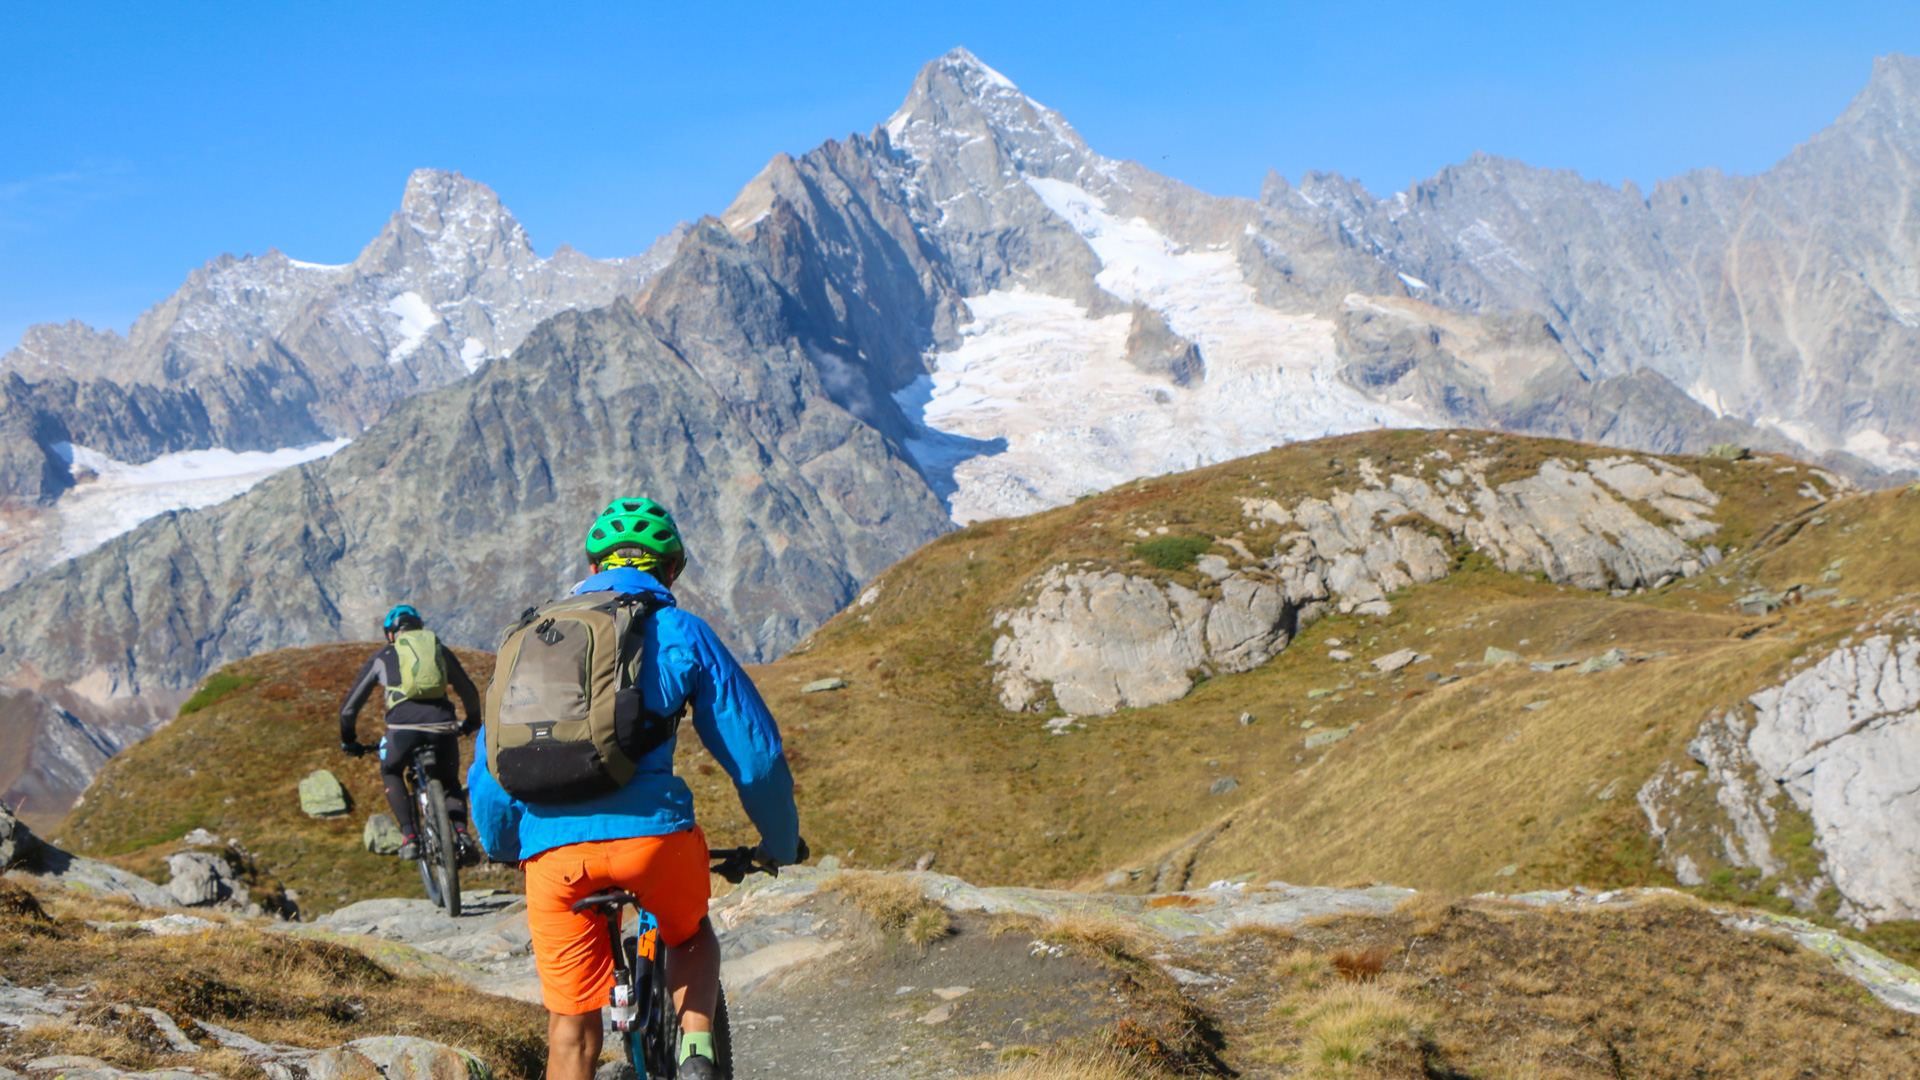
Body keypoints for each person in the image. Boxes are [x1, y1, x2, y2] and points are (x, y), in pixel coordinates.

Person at [468, 498, 802, 1080]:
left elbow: (490, 769)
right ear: (670, 571)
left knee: (570, 1030)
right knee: (690, 935)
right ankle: (697, 1051)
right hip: (654, 841)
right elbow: (756, 757)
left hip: (553, 859)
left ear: (593, 568)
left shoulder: (530, 642)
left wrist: (504, 846)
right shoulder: (679, 630)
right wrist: (779, 841)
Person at [340, 604, 484, 864]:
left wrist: (349, 740)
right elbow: (469, 693)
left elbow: (349, 709)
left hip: (402, 730)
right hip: (443, 727)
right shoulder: (438, 650)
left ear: (391, 634)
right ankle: (462, 835)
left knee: (392, 770)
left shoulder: (382, 656)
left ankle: (410, 837)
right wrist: (472, 721)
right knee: (450, 781)